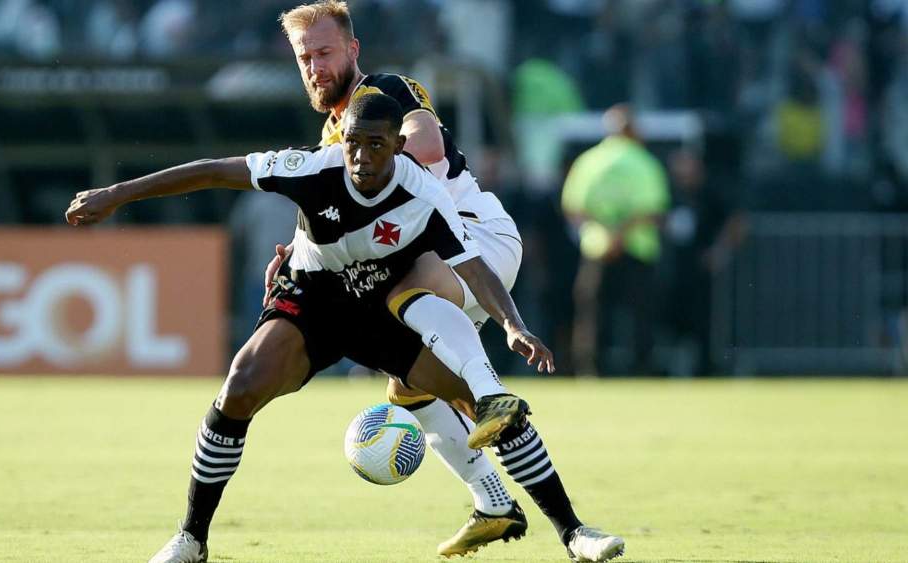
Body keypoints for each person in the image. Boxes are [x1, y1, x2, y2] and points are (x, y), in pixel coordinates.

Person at [66, 93, 624, 563]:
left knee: (486, 407)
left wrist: (513, 326)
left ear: (398, 146)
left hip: (379, 308)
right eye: (353, 142)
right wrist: (115, 195)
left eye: (375, 144)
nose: (360, 155)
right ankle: (191, 539)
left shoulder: (424, 196)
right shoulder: (313, 169)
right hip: (315, 300)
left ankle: (574, 532)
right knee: (240, 385)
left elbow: (472, 266)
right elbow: (213, 170)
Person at [268, 2, 622, 559]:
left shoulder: (386, 94)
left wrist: (375, 162)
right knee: (409, 384)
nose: (315, 66)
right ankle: (497, 504)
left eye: (325, 52)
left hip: (476, 237)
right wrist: (294, 252)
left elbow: (427, 141)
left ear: (353, 50)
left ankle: (494, 399)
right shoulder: (337, 137)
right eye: (304, 57)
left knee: (402, 298)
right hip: (438, 262)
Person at [562, 104, 670, 375]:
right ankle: (642, 369)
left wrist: (606, 234)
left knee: (592, 314)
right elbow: (655, 211)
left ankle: (590, 370)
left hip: (597, 248)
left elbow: (573, 207)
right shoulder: (644, 161)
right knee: (640, 316)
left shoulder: (588, 161)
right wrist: (622, 234)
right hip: (637, 249)